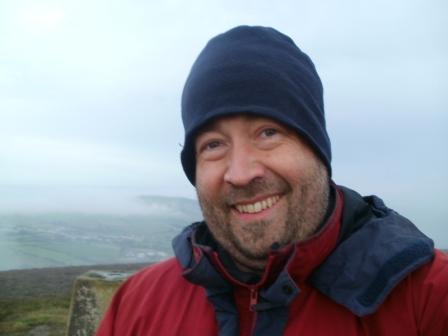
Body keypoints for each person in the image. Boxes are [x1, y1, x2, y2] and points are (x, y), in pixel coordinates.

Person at [96, 26, 448, 336]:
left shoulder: (429, 298)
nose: (241, 172)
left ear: (316, 150)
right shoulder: (138, 304)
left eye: (268, 132)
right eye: (214, 145)